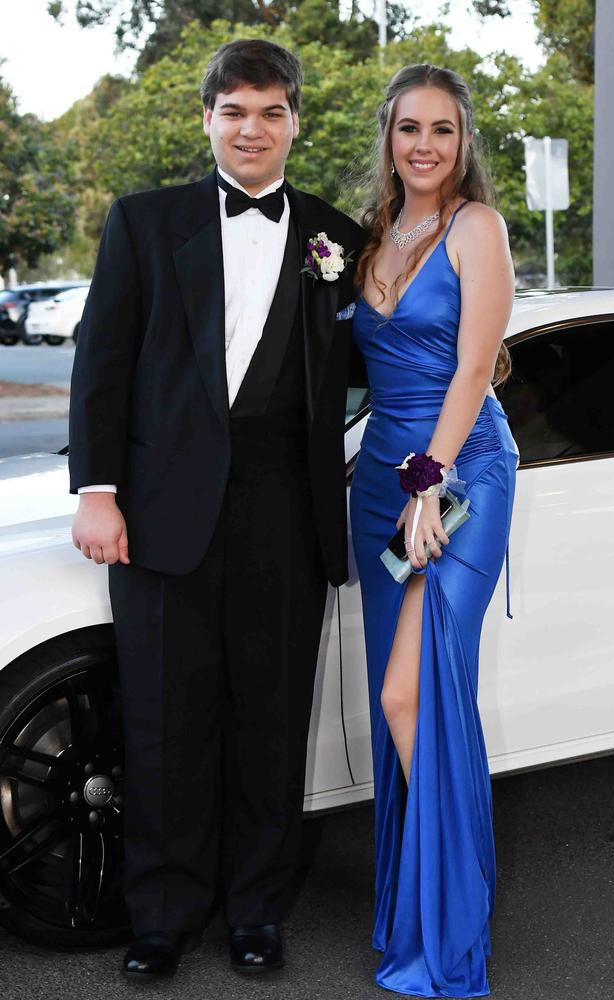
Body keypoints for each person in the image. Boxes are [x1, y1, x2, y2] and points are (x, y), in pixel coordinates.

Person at [68, 38, 365, 981]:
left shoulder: (332, 236)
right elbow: (101, 363)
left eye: (272, 111)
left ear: (294, 123)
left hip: (287, 506)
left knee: (271, 724)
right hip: (159, 513)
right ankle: (160, 916)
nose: (253, 128)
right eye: (235, 110)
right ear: (208, 119)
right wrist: (99, 490)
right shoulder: (144, 223)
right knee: (164, 720)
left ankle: (255, 912)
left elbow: (371, 362)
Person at [350, 64, 519, 998]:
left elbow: (471, 372)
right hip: (380, 479)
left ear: (464, 142)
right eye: (409, 128)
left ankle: (456, 914)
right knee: (396, 694)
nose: (424, 145)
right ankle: (425, 905)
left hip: (457, 477)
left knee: (412, 698)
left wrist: (430, 482)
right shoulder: (372, 235)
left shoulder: (477, 227)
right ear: (388, 137)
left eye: (442, 130)